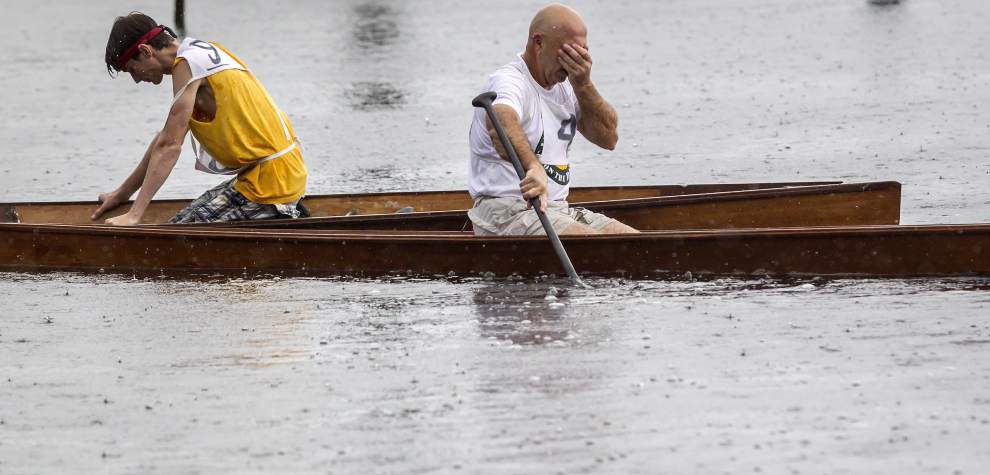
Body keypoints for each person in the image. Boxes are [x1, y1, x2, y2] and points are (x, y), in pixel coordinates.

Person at [93, 12, 308, 225]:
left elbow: (170, 146)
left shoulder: (187, 66)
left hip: (274, 181)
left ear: (145, 50)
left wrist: (134, 215)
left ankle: (284, 213)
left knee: (175, 239)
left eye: (132, 70)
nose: (137, 79)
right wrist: (122, 194)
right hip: (266, 175)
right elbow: (165, 139)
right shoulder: (197, 52)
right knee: (176, 224)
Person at [467, 3, 638, 236]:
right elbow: (500, 122)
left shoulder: (568, 86)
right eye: (567, 53)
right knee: (598, 247)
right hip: (506, 212)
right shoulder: (510, 81)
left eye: (581, 53)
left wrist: (584, 84)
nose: (573, 63)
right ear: (539, 43)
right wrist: (533, 166)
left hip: (557, 209)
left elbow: (608, 139)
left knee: (634, 243)